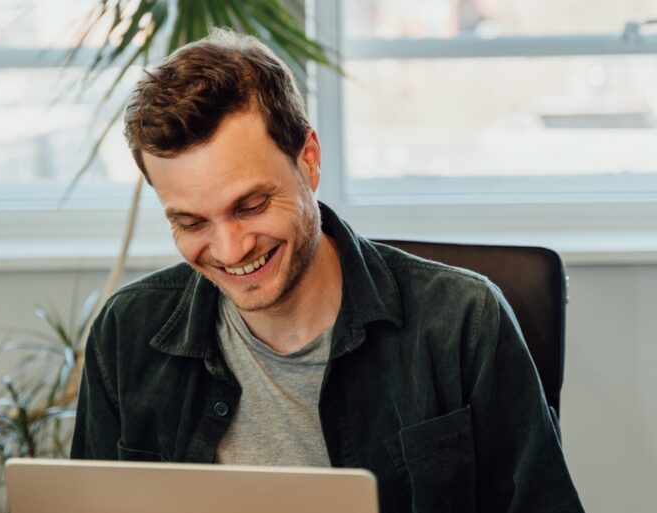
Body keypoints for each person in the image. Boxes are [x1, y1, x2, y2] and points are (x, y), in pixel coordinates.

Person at [70, 29, 584, 513]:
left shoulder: (463, 323)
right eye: (191, 221)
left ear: (309, 161)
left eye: (250, 205)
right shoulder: (126, 333)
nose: (229, 249)